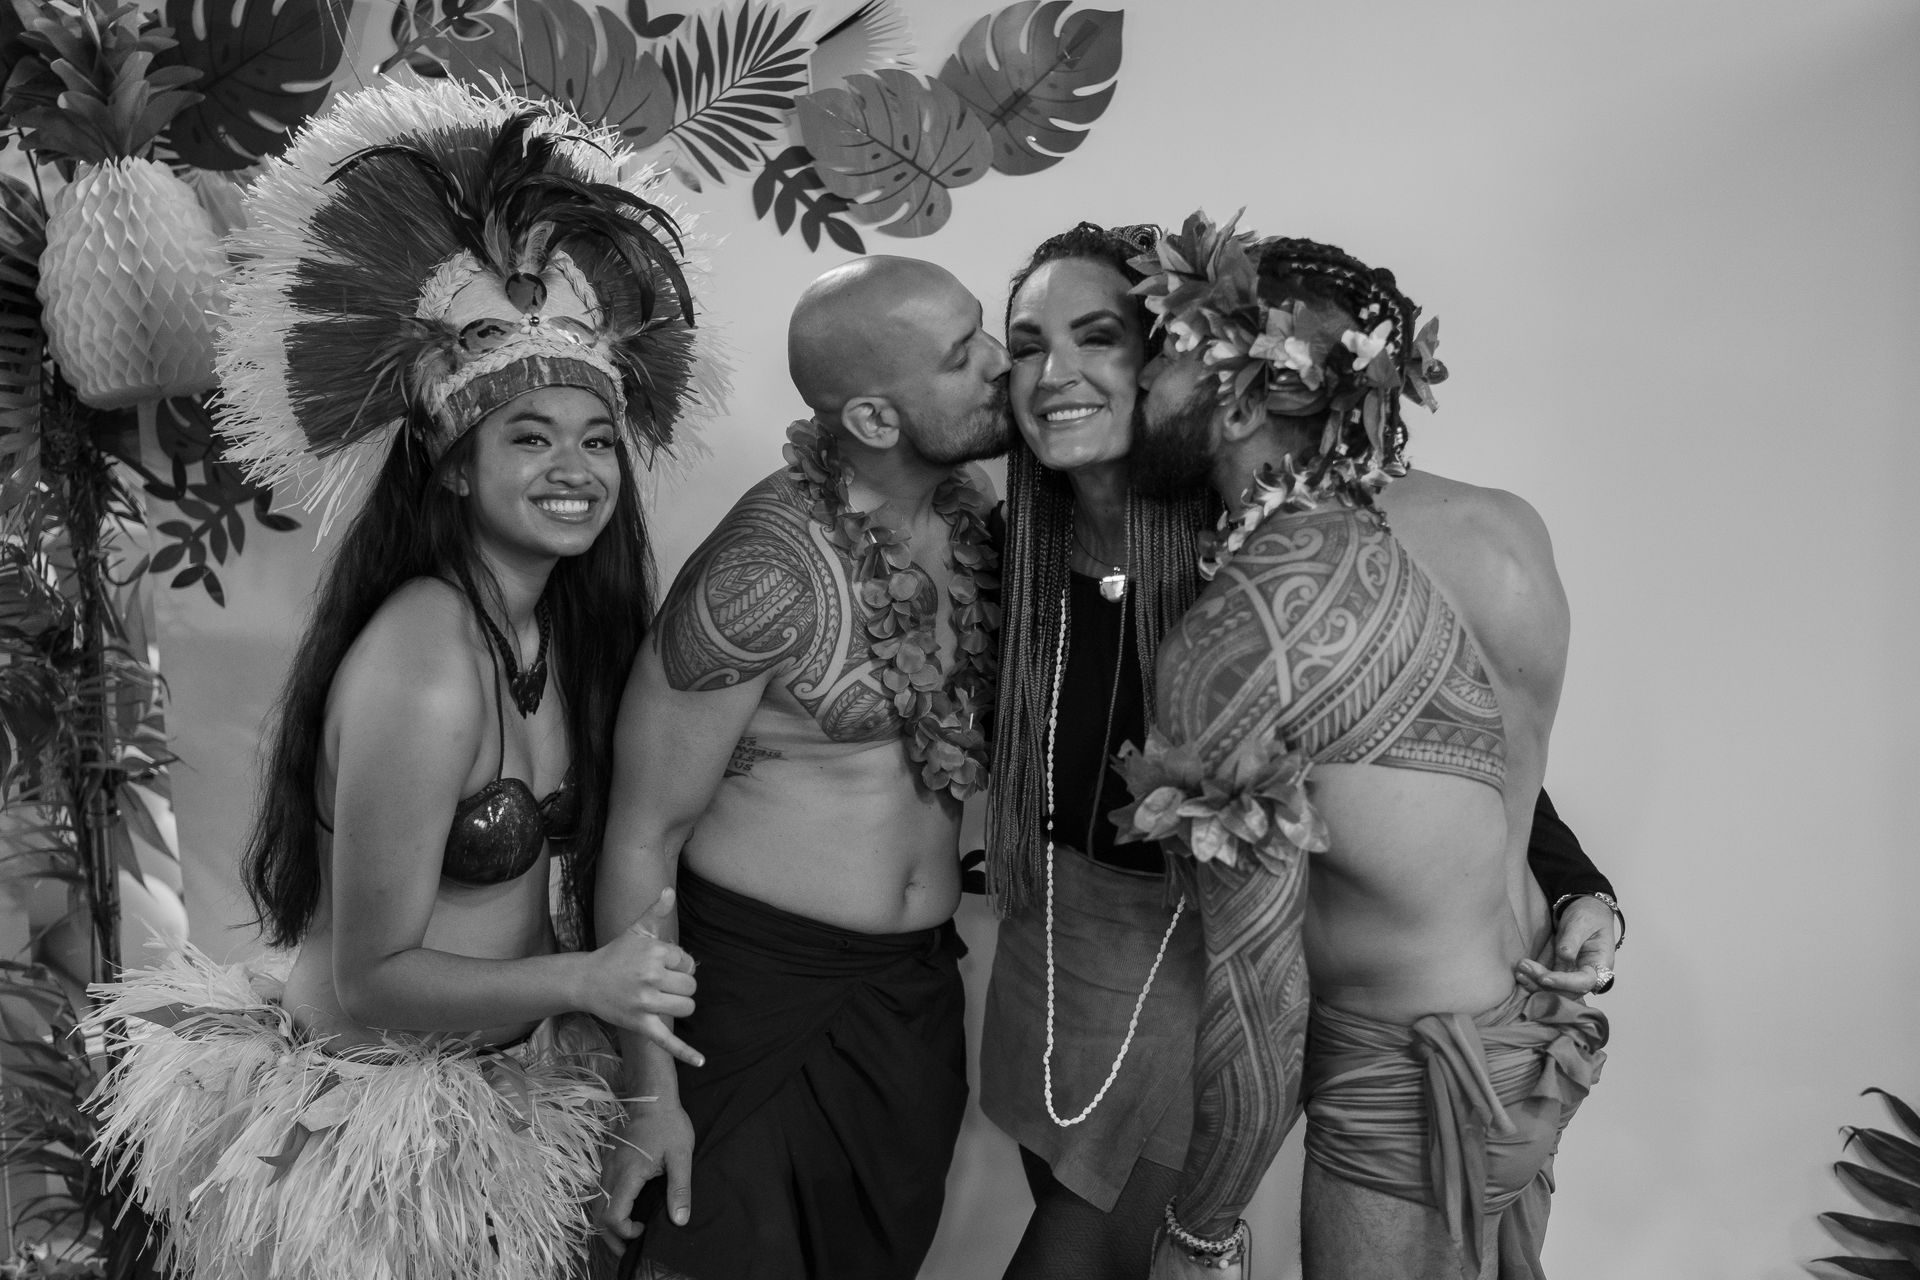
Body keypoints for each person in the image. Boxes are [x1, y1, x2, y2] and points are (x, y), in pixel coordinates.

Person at [82, 79, 725, 1280]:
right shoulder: (425, 661)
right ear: (449, 464)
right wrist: (591, 977)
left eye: (594, 438)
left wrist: (635, 1069)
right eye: (528, 437)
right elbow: (374, 978)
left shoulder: (562, 630)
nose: (575, 469)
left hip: (504, 1090)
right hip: (371, 1118)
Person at [982, 222, 1623, 1278]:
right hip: (1521, 1029)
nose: (1102, 378)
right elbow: (1447, 739)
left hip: (1390, 1065)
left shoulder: (1242, 618)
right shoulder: (1489, 529)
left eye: (1141, 347)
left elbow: (1263, 992)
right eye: (1022, 346)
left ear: (1232, 391)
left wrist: (1206, 1224)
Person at [592, 255, 1011, 1280]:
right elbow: (644, 829)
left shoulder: (982, 520)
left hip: (910, 999)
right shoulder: (761, 574)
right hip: (751, 1000)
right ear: (872, 418)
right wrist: (650, 1088)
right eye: (965, 356)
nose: (1003, 364)